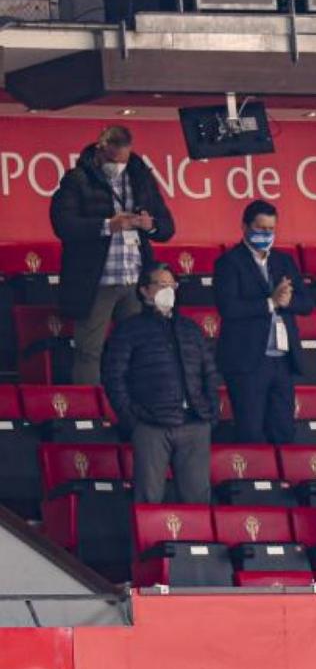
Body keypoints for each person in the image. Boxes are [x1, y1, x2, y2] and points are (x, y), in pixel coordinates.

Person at [50, 125, 176, 384]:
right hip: (97, 281)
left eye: (123, 160)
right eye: (112, 160)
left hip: (135, 280)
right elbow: (63, 224)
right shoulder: (77, 179)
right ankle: (91, 413)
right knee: (89, 351)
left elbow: (167, 227)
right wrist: (108, 225)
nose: (117, 166)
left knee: (138, 349)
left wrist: (148, 224)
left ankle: (135, 409)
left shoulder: (141, 178)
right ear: (100, 150)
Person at [101, 264, 218, 504]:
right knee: (148, 498)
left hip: (194, 423)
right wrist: (133, 419)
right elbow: (114, 377)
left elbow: (210, 374)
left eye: (172, 285)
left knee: (198, 499)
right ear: (144, 291)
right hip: (151, 425)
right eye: (161, 285)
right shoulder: (128, 329)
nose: (169, 291)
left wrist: (210, 414)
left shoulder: (190, 329)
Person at [214, 200, 314, 444]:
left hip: (282, 361)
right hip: (248, 363)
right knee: (251, 432)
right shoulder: (229, 263)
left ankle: (280, 481)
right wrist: (270, 303)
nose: (266, 234)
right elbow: (229, 308)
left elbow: (308, 303)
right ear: (245, 227)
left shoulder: (284, 261)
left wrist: (287, 301)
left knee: (284, 431)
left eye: (271, 229)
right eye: (260, 228)